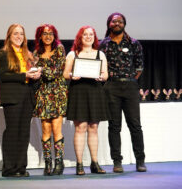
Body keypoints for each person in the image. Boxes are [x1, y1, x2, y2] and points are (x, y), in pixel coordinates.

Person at [99, 12, 147, 173]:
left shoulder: (134, 43)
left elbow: (139, 67)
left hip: (130, 88)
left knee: (135, 125)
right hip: (111, 87)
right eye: (114, 21)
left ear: (124, 24)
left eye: (120, 21)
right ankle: (117, 162)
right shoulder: (103, 44)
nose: (117, 23)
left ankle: (140, 161)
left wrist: (130, 79)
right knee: (114, 126)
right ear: (109, 24)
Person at [0, 24, 41, 177]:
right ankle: (9, 168)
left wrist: (35, 75)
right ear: (9, 36)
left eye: (21, 34)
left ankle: (21, 167)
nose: (19, 36)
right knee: (12, 131)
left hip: (27, 96)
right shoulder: (3, 54)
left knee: (24, 133)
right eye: (15, 34)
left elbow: (30, 75)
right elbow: (2, 75)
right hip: (12, 96)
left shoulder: (28, 54)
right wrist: (25, 76)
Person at [63, 26, 109, 175]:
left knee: (93, 128)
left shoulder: (100, 54)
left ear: (94, 37)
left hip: (95, 91)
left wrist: (101, 77)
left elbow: (105, 75)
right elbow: (65, 74)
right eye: (85, 34)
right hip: (79, 92)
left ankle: (94, 163)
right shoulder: (72, 54)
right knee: (80, 127)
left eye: (91, 34)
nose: (88, 37)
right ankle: (79, 164)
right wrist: (72, 75)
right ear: (80, 37)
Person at [33, 24, 68, 175]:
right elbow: (34, 72)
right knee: (45, 130)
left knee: (56, 129)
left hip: (58, 92)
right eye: (44, 33)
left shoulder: (60, 49)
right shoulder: (36, 53)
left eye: (51, 33)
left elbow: (56, 71)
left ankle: (59, 164)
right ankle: (48, 164)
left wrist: (41, 70)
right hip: (42, 92)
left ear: (55, 35)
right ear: (39, 36)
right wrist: (37, 72)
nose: (48, 36)